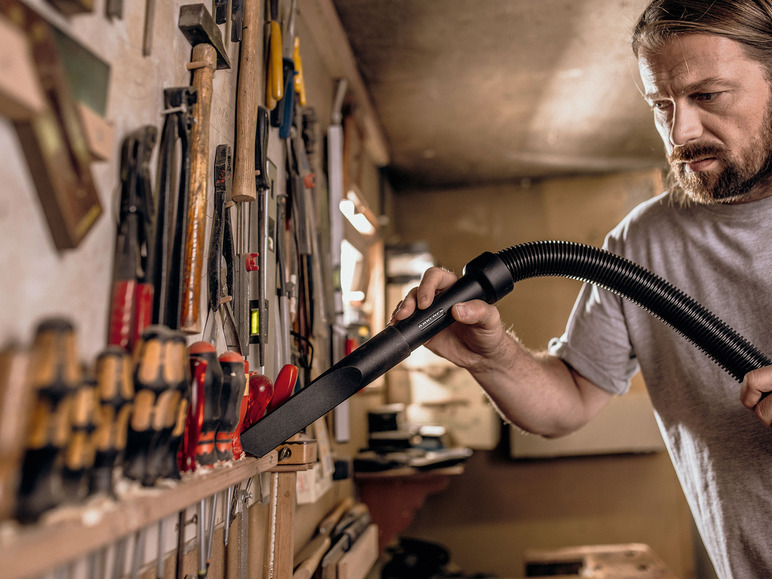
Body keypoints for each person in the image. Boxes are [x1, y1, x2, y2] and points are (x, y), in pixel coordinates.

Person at [390, 1, 772, 577]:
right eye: (661, 105)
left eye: (708, 96)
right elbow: (566, 401)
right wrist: (492, 359)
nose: (680, 131)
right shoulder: (643, 241)